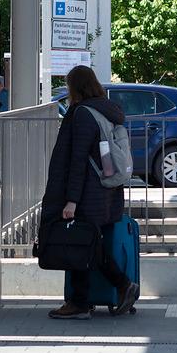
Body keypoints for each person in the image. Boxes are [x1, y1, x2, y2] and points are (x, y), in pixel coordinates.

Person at [41, 65, 138, 319]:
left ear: (76, 87)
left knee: (80, 245)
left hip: (87, 194)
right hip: (106, 191)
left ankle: (89, 298)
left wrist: (71, 200)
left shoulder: (83, 114)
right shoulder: (106, 110)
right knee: (91, 245)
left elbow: (78, 160)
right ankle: (108, 291)